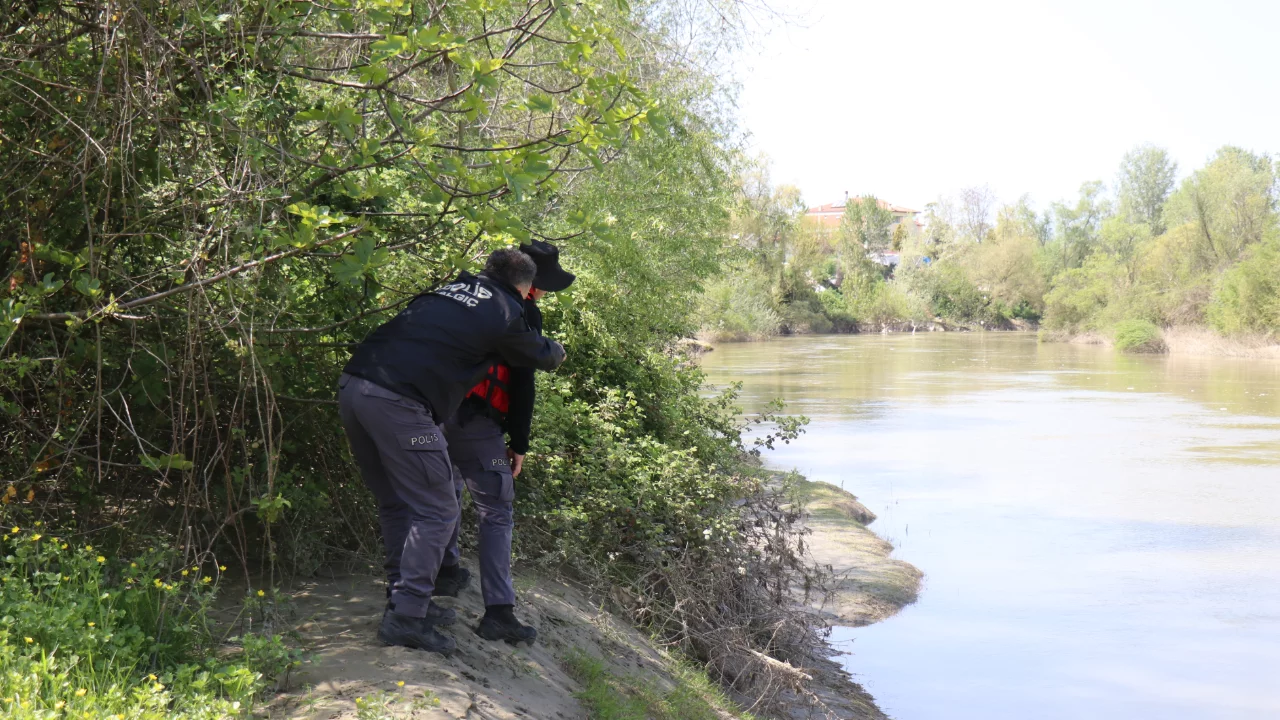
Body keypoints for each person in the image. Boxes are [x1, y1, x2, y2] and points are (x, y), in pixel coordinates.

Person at [338, 248, 565, 656]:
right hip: (402, 405)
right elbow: (540, 359)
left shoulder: (448, 291)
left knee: (397, 502)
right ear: (525, 287)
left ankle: (405, 602)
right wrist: (557, 349)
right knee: (440, 508)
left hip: (355, 386)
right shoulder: (505, 311)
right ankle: (408, 617)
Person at [437, 240, 575, 645]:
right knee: (496, 509)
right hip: (476, 419)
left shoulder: (467, 296)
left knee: (448, 488)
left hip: (435, 409)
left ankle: (445, 572)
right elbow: (523, 380)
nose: (545, 292)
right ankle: (499, 612)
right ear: (532, 284)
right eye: (546, 285)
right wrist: (520, 443)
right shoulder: (521, 310)